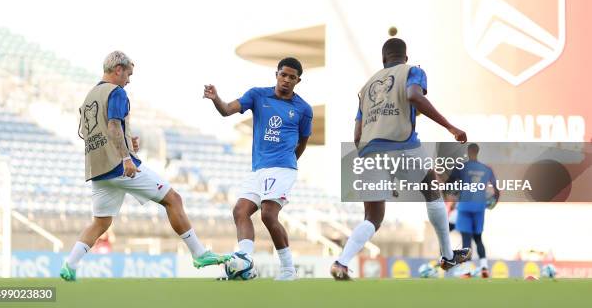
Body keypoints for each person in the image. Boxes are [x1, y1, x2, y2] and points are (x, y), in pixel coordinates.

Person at [60, 51, 229, 281]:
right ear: (118, 69)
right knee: (173, 199)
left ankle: (69, 265)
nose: (129, 80)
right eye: (128, 74)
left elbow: (88, 133)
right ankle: (198, 253)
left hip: (97, 170)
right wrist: (126, 157)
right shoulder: (117, 91)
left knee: (101, 222)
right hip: (119, 167)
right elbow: (112, 126)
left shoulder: (90, 96)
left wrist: (128, 143)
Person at [330, 37, 472, 280]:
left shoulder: (366, 89)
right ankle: (448, 256)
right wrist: (450, 127)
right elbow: (414, 96)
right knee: (431, 186)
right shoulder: (412, 71)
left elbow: (357, 134)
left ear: (384, 59)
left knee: (373, 218)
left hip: (368, 152)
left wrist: (386, 171)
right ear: (405, 57)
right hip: (402, 144)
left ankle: (341, 262)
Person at [204, 57, 313, 281]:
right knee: (240, 211)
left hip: (283, 168)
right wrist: (216, 98)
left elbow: (302, 142)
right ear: (276, 74)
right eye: (283, 75)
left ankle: (288, 269)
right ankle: (245, 263)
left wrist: (289, 163)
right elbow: (226, 110)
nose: (286, 80)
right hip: (258, 169)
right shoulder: (257, 95)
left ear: (298, 80)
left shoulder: (303, 109)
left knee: (268, 214)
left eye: (292, 77)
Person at [449, 143, 499, 278]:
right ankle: (484, 267)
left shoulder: (462, 167)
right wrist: (494, 202)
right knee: (478, 238)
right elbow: (497, 189)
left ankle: (466, 271)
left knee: (466, 239)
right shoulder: (486, 169)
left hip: (465, 206)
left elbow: (449, 183)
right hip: (479, 206)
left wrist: (456, 192)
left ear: (468, 152)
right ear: (478, 152)